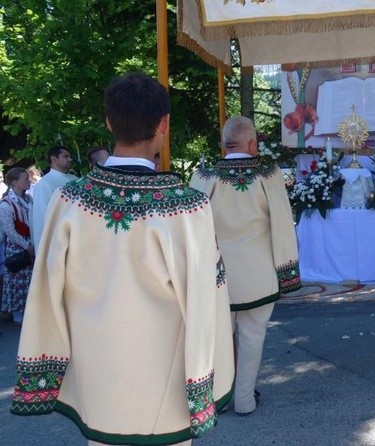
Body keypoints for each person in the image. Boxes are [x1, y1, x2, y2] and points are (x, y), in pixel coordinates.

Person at [10, 72, 235, 446]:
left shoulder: (69, 202)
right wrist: (206, 384)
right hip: (168, 391)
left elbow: (45, 294)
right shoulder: (188, 207)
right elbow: (207, 301)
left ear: (109, 122)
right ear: (164, 124)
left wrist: (47, 370)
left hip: (97, 385)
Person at [190, 116, 301, 416]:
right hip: (259, 276)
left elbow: (190, 228)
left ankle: (218, 399)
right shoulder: (268, 173)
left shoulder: (204, 174)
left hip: (216, 276)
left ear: (225, 144)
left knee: (218, 339)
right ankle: (244, 401)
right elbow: (282, 223)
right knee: (253, 338)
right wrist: (288, 273)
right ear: (252, 143)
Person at [0, 168, 34, 325]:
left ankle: (29, 310)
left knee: (29, 279)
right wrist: (26, 245)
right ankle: (17, 314)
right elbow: (9, 231)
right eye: (25, 179)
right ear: (15, 182)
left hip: (29, 242)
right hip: (17, 246)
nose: (29, 181)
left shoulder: (28, 199)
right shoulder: (6, 204)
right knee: (16, 278)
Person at [30, 145, 77, 252]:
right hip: (59, 239)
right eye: (65, 156)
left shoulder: (75, 179)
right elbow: (42, 217)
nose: (70, 159)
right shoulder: (44, 184)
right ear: (54, 159)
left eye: (70, 156)